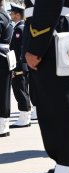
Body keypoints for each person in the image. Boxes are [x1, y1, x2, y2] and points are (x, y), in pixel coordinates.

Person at [24, 0, 69, 173]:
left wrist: (36, 45)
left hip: (50, 35)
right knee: (59, 111)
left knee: (59, 113)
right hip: (56, 31)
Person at [9, 3, 32, 129]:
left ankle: (24, 117)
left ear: (18, 15)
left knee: (20, 91)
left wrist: (15, 67)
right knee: (23, 90)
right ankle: (25, 116)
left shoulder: (19, 29)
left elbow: (18, 50)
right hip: (22, 65)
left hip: (19, 66)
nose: (11, 15)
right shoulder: (21, 27)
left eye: (12, 13)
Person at [0, 0, 13, 138]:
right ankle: (3, 125)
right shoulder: (5, 15)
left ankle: (2, 126)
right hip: (4, 57)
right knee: (3, 92)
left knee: (2, 92)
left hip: (1, 57)